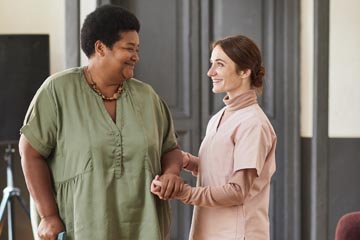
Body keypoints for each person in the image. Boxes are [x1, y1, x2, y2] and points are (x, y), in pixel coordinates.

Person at [19, 5, 183, 240]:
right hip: (81, 227)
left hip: (144, 229)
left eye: (137, 49)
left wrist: (171, 173)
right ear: (100, 48)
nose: (136, 56)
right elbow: (30, 152)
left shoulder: (148, 97)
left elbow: (171, 149)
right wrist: (48, 216)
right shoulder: (57, 91)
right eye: (129, 48)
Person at [151, 35, 277, 239]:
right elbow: (221, 168)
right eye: (212, 64)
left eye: (220, 64)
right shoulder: (220, 117)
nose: (210, 72)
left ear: (245, 71)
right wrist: (187, 161)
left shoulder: (254, 124)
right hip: (209, 229)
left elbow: (237, 190)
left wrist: (184, 193)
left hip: (237, 234)